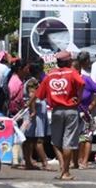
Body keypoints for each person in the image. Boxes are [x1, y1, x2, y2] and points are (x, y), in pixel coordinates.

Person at [29, 50, 84, 180]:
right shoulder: (72, 72)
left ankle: (62, 167)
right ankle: (65, 171)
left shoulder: (50, 75)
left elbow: (39, 94)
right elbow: (82, 84)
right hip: (71, 110)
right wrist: (79, 97)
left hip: (56, 111)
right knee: (68, 142)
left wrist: (30, 104)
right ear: (69, 61)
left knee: (55, 142)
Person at [75, 52, 96, 169]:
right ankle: (77, 160)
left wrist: (93, 103)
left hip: (85, 114)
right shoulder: (70, 80)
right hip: (74, 114)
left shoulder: (87, 80)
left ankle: (84, 161)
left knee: (86, 137)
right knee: (78, 138)